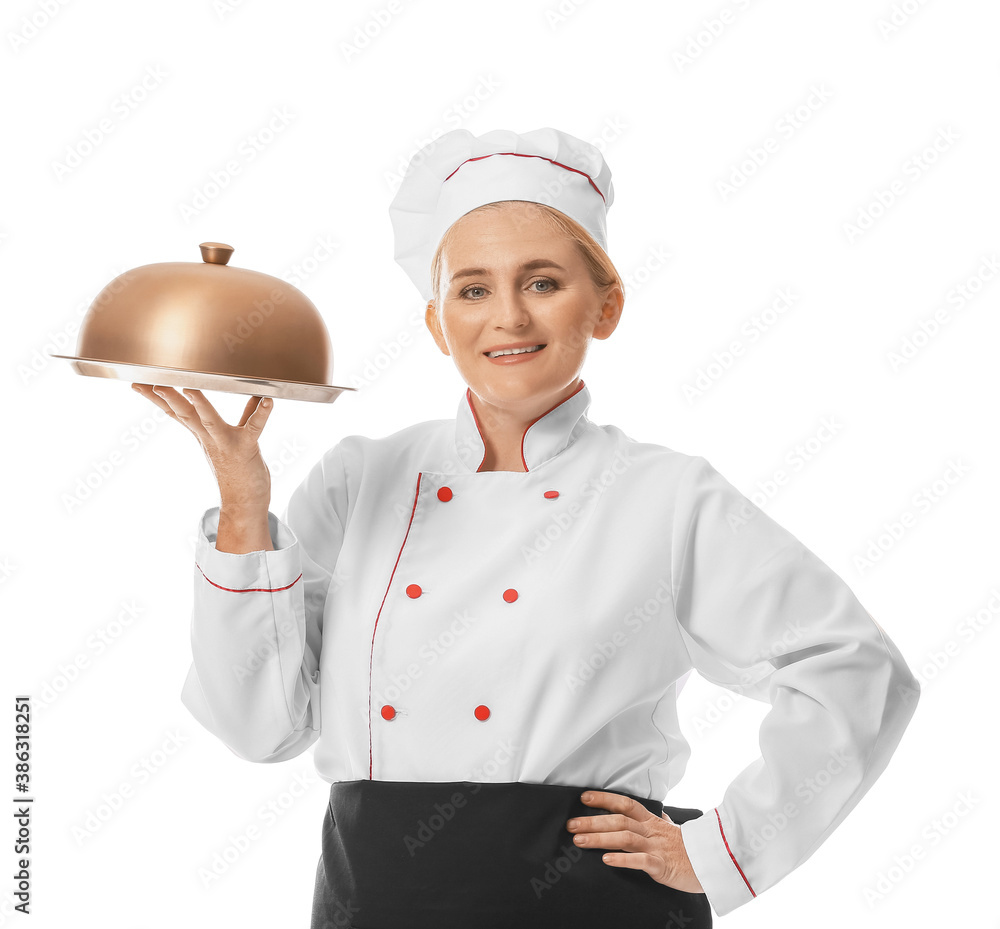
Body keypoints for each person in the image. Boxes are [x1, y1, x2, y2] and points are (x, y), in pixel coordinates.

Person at [133, 127, 920, 928]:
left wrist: (724, 850)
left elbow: (854, 666)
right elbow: (259, 727)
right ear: (437, 323)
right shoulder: (358, 477)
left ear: (605, 304)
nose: (506, 316)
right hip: (374, 901)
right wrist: (241, 500)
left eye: (541, 282)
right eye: (472, 290)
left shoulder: (666, 496)